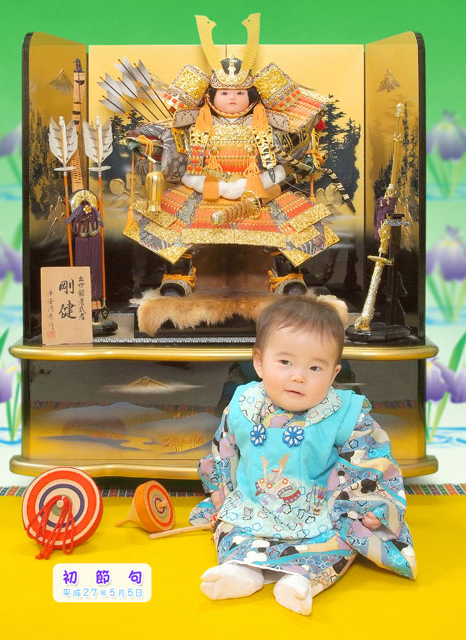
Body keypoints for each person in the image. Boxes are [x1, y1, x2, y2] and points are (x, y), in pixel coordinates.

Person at [190, 293, 417, 615]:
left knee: (338, 541)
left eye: (314, 367)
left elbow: (371, 459)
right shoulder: (245, 404)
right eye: (285, 362)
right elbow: (224, 447)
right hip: (254, 505)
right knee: (231, 529)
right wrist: (219, 488)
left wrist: (369, 504)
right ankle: (241, 570)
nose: (298, 376)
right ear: (259, 362)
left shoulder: (342, 413)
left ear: (333, 374)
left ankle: (302, 579)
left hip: (318, 509)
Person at [125, 14, 345, 297]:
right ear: (211, 95)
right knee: (179, 229)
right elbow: (178, 153)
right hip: (206, 189)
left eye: (240, 92)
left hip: (257, 189)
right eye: (225, 92)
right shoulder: (192, 123)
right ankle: (178, 275)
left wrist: (307, 160)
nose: (232, 98)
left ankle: (286, 276)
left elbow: (288, 157)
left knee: (285, 229)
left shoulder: (268, 123)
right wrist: (149, 149)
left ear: (251, 96)